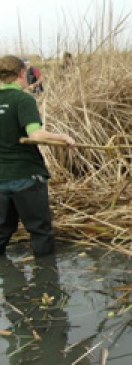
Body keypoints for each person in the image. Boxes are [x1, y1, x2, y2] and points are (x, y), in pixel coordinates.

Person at [0, 55, 75, 257]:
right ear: (22, 74)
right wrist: (63, 138)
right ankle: (45, 282)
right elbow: (36, 135)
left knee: (2, 232)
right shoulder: (23, 99)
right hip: (26, 176)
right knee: (40, 232)